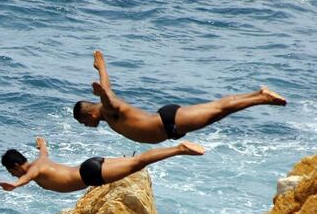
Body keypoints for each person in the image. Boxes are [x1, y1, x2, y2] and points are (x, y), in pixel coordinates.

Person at [72, 51, 287, 144]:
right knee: (219, 107)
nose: (86, 126)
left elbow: (108, 97)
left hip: (168, 123)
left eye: (83, 122)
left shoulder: (107, 110)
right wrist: (101, 66)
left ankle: (263, 98)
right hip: (168, 122)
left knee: (220, 111)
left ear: (90, 114)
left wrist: (102, 91)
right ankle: (258, 93)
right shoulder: (106, 110)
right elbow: (107, 88)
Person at [0, 137, 204, 193]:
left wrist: (15, 186)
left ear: (16, 166)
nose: (14, 175)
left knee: (140, 162)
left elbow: (26, 178)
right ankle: (178, 149)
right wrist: (41, 145)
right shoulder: (40, 161)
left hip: (91, 175)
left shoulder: (34, 170)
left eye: (11, 171)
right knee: (135, 161)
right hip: (90, 165)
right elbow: (44, 152)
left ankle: (179, 149)